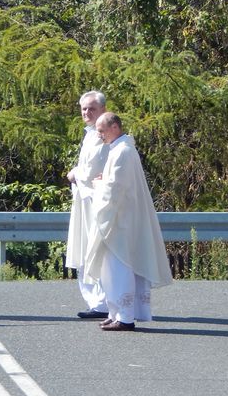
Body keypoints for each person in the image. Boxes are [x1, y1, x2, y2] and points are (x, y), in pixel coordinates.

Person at [84, 112, 172, 331]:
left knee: (119, 268)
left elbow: (115, 190)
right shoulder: (119, 149)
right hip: (118, 219)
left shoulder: (123, 151)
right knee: (110, 270)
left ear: (115, 127)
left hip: (120, 222)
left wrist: (98, 185)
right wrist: (103, 182)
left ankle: (125, 317)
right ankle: (115, 312)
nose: (100, 135)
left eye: (102, 131)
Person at [65, 91, 110, 320]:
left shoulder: (102, 136)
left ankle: (101, 302)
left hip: (95, 200)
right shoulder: (90, 135)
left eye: (92, 108)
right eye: (84, 108)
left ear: (103, 109)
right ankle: (95, 301)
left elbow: (93, 170)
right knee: (84, 248)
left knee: (94, 248)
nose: (87, 112)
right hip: (84, 199)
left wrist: (74, 173)